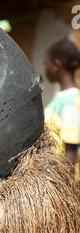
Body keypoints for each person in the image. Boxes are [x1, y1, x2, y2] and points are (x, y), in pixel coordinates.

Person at [44, 38, 80, 179]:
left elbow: (70, 150)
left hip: (65, 183)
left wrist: (65, 191)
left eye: (46, 63)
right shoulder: (61, 100)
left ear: (57, 64)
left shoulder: (70, 102)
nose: (45, 68)